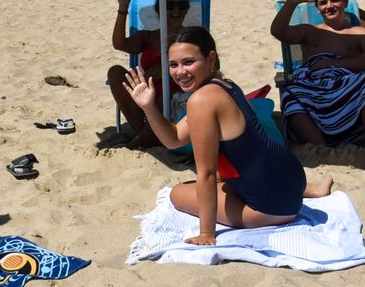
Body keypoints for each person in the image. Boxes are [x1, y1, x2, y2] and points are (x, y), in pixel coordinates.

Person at [124, 26, 330, 243]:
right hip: (293, 181)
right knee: (221, 178)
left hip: (275, 207)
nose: (180, 72)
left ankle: (287, 200)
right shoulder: (226, 85)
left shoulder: (201, 100)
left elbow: (207, 173)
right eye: (173, 64)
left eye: (188, 62)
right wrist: (149, 107)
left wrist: (206, 233)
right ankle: (313, 190)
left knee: (178, 193)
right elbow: (174, 139)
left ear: (211, 58)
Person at [271, 0, 365, 148]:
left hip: (347, 87)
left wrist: (337, 63)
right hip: (314, 88)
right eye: (323, 2)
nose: (329, 6)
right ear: (317, 7)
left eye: (335, 0)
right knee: (290, 92)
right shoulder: (310, 31)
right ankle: (320, 147)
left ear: (345, 1)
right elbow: (278, 31)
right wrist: (291, 3)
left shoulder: (357, 32)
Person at [108, 0, 193, 147]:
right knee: (115, 72)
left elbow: (213, 66)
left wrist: (167, 70)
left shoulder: (192, 37)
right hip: (145, 95)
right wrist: (123, 7)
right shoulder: (148, 37)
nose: (176, 10)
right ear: (159, 9)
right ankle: (145, 134)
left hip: (176, 98)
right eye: (169, 5)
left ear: (187, 8)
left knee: (164, 99)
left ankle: (138, 142)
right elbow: (119, 44)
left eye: (181, 5)